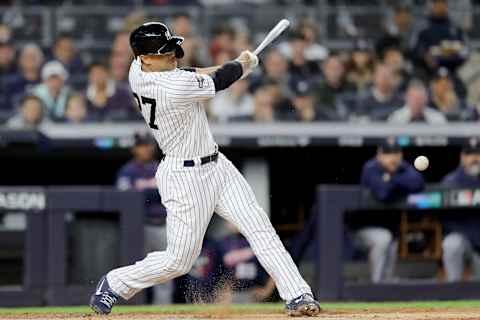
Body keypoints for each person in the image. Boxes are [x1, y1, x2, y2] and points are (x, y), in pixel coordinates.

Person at [89, 22, 320, 317]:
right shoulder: (170, 87)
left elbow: (193, 72)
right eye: (164, 51)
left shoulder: (139, 69)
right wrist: (240, 66)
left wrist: (237, 64)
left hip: (217, 166)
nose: (172, 53)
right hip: (184, 177)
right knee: (179, 261)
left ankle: (297, 294)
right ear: (145, 58)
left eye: (171, 46)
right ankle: (115, 282)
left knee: (260, 229)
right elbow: (218, 80)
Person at [359, 140, 425, 282]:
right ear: (379, 156)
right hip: (360, 227)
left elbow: (418, 182)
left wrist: (391, 179)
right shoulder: (370, 167)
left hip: (389, 229)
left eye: (395, 153)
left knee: (390, 239)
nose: (392, 157)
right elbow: (383, 193)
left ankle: (386, 287)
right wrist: (399, 182)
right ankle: (375, 286)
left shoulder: (401, 168)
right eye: (387, 153)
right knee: (384, 238)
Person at [116, 132, 170, 303]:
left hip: (164, 225)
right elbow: (124, 199)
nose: (145, 149)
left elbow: (170, 194)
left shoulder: (162, 167)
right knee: (139, 270)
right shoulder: (127, 171)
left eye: (148, 145)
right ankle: (138, 308)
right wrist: (152, 192)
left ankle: (163, 312)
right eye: (141, 145)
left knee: (166, 271)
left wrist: (143, 192)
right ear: (135, 148)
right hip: (140, 227)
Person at [441, 138, 480, 282]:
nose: (474, 158)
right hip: (464, 240)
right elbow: (446, 220)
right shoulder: (451, 181)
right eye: (469, 155)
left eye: (477, 154)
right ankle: (453, 289)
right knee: (451, 243)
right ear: (462, 157)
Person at [412, 0, 468, 80]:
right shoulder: (424, 26)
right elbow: (417, 49)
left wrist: (457, 54)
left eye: (442, 3)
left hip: (453, 69)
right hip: (429, 71)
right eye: (437, 3)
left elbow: (463, 50)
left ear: (446, 5)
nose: (440, 6)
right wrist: (424, 56)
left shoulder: (454, 26)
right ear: (432, 5)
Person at [2, 44, 43, 119]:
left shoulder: (46, 81)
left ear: (41, 60)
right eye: (27, 57)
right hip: (15, 123)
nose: (30, 60)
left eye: (33, 57)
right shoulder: (10, 83)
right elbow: (5, 107)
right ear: (20, 60)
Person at [312, 55, 355, 121]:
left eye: (337, 68)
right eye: (330, 68)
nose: (334, 71)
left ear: (343, 69)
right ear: (324, 69)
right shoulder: (316, 89)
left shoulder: (351, 88)